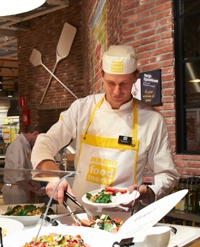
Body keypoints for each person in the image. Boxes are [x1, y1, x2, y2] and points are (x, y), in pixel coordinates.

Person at [31, 45, 179, 206]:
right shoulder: (82, 108)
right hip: (80, 211)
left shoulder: (152, 120)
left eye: (124, 83)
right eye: (110, 83)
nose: (117, 91)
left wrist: (145, 193)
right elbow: (46, 141)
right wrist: (53, 177)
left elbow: (167, 175)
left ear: (136, 76)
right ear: (101, 75)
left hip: (122, 216)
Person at [2, 126, 47, 204]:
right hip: (14, 189)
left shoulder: (26, 145)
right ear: (35, 133)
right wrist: (36, 191)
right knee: (16, 215)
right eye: (40, 140)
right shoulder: (19, 145)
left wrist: (31, 180)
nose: (39, 143)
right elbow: (18, 177)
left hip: (19, 188)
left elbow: (23, 170)